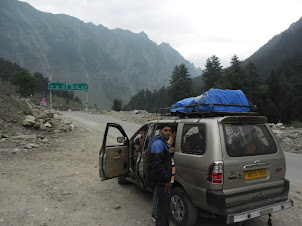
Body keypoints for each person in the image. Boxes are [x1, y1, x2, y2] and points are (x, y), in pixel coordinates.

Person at [149, 124, 172, 226]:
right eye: (165, 130)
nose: (168, 132)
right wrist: (167, 180)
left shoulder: (163, 143)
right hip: (162, 181)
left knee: (165, 206)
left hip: (164, 180)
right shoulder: (158, 143)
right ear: (160, 131)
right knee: (162, 207)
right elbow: (157, 164)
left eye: (169, 131)